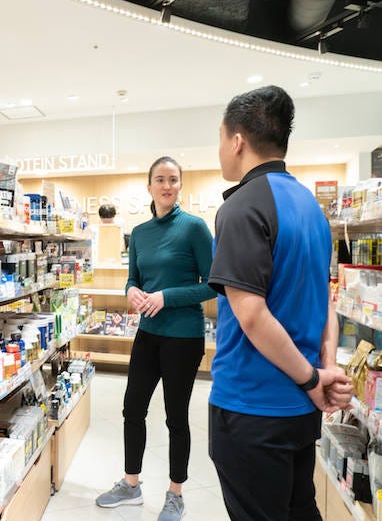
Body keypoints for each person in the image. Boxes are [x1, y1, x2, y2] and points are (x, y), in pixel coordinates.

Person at [207, 85, 354, 520]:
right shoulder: (311, 207)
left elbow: (251, 315)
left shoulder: (241, 208)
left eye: (220, 137)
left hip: (251, 407)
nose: (219, 150)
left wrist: (313, 378)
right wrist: (322, 369)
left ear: (237, 141)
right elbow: (326, 299)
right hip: (298, 410)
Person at [96, 156, 216, 521]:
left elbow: (213, 284)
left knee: (176, 418)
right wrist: (131, 292)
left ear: (181, 185)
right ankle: (131, 485)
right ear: (149, 187)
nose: (167, 186)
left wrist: (167, 297)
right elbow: (133, 278)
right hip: (147, 335)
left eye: (173, 180)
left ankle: (175, 493)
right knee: (133, 409)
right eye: (160, 180)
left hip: (183, 337)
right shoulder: (141, 233)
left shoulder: (195, 228)